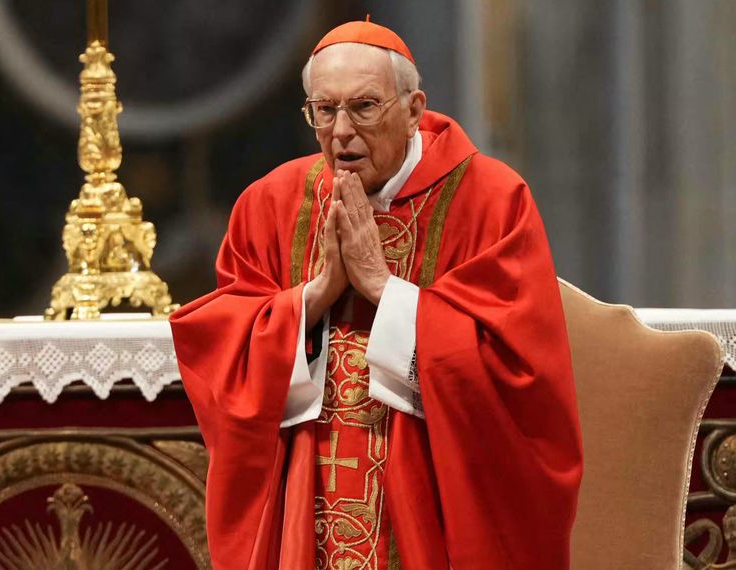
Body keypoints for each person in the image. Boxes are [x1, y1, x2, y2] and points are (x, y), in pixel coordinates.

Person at [170, 19, 583, 570]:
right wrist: (313, 297)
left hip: (428, 508)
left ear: (413, 110)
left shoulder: (491, 202)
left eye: (364, 108)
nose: (340, 131)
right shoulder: (269, 204)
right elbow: (225, 350)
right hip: (305, 498)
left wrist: (383, 289)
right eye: (324, 109)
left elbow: (521, 374)